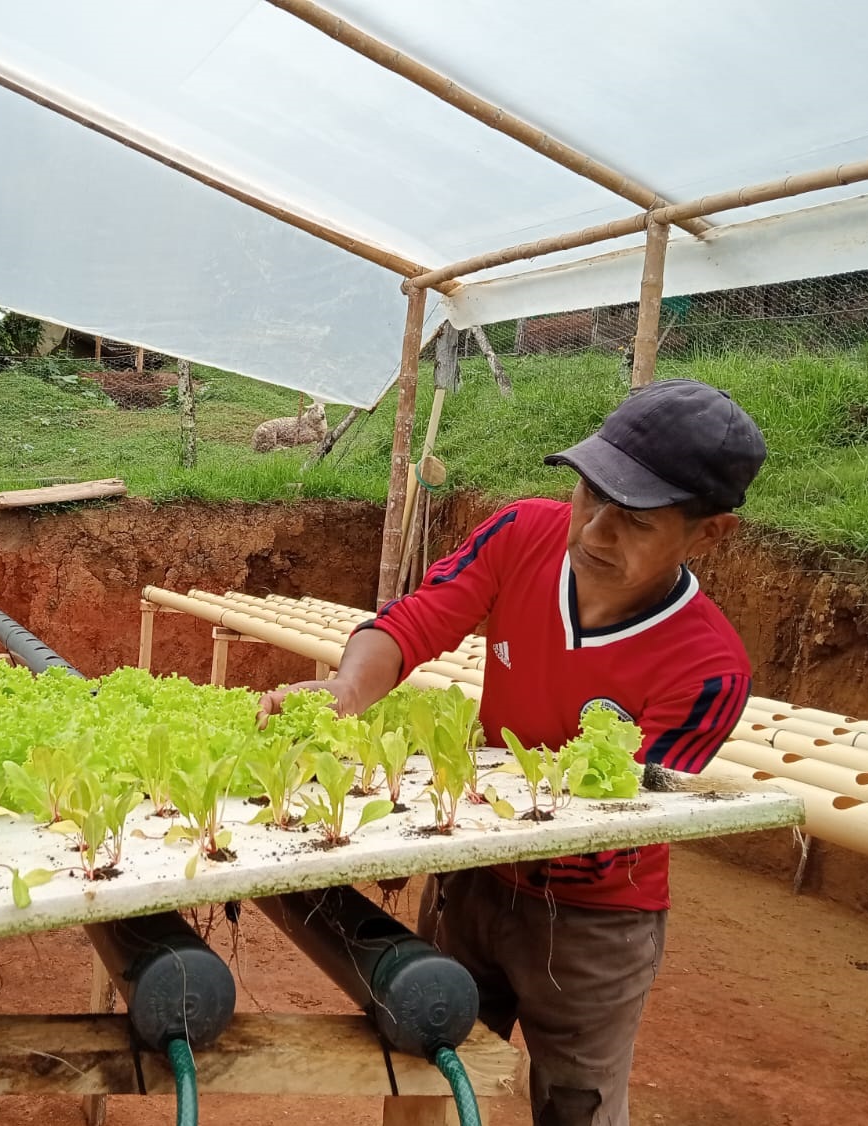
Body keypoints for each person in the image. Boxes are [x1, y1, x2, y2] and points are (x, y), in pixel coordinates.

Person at [257, 378, 767, 1126]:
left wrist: (405, 827)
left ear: (709, 534)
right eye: (590, 497)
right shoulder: (522, 533)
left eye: (634, 521)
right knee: (428, 1067)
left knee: (576, 1103)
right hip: (470, 887)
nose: (594, 532)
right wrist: (346, 690)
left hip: (593, 924)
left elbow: (610, 832)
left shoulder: (710, 669)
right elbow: (416, 619)